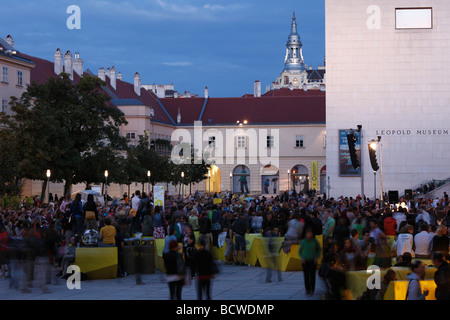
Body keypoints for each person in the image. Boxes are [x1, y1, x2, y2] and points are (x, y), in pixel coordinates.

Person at [299, 228, 322, 295]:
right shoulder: (303, 241)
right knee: (306, 275)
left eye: (310, 234)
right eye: (308, 234)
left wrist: (317, 257)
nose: (309, 235)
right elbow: (300, 251)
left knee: (312, 275)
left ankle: (312, 289)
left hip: (313, 261)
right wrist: (302, 257)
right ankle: (307, 289)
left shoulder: (315, 241)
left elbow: (319, 250)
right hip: (305, 261)